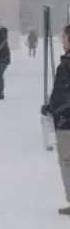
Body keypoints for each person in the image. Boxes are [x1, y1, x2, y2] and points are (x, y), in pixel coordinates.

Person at [39, 24, 70, 216]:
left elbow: (63, 93)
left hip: (66, 121)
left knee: (67, 161)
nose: (62, 40)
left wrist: (58, 108)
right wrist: (51, 107)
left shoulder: (67, 65)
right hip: (64, 117)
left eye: (64, 37)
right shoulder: (65, 62)